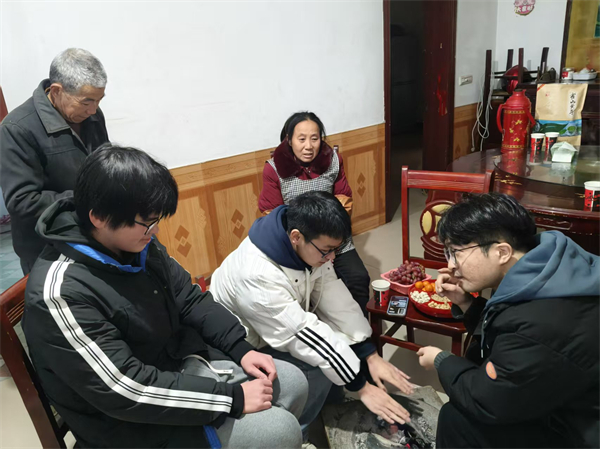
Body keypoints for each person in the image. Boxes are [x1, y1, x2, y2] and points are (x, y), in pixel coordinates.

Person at [22, 145, 307, 449]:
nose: (155, 231)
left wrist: (240, 348)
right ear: (100, 218)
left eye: (157, 220)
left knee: (292, 382)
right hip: (130, 425)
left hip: (173, 367)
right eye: (147, 222)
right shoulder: (60, 293)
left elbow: (188, 297)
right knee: (280, 431)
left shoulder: (136, 244)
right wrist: (231, 399)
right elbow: (125, 389)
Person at [210, 191, 414, 443]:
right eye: (327, 251)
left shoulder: (304, 244)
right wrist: (361, 387)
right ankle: (300, 433)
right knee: (316, 368)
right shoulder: (257, 275)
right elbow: (302, 334)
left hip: (272, 327)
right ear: (296, 237)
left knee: (335, 353)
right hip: (238, 347)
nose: (332, 258)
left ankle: (331, 411)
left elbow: (333, 295)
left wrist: (368, 352)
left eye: (335, 250)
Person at [416, 193, 599, 448]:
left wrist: (441, 360)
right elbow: (510, 329)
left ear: (502, 252)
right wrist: (466, 303)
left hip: (577, 431)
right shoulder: (547, 265)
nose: (450, 265)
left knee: (456, 418)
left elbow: (486, 401)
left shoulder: (540, 321)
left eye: (456, 252)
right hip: (564, 395)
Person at [0, 48, 109, 274]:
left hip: (94, 237)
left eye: (99, 101)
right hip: (48, 250)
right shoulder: (17, 128)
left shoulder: (93, 116)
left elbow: (103, 160)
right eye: (86, 102)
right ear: (57, 90)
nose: (93, 110)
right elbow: (22, 201)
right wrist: (87, 199)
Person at [258, 112, 370, 315]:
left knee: (358, 278)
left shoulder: (333, 161)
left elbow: (344, 201)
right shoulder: (274, 169)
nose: (308, 146)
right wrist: (305, 248)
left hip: (335, 240)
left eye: (314, 138)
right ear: (289, 140)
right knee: (300, 295)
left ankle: (359, 326)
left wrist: (330, 243)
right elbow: (272, 217)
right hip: (298, 246)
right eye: (301, 139)